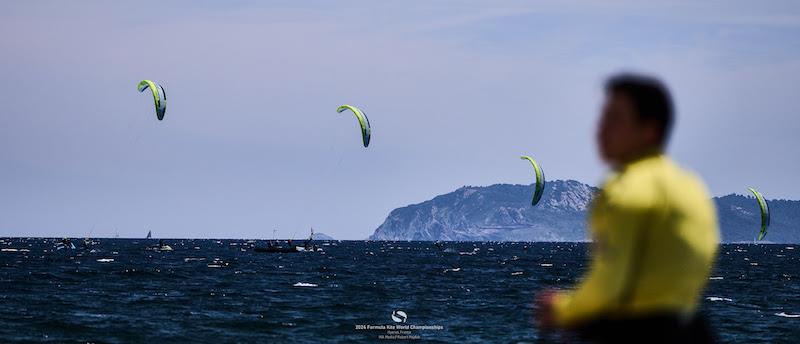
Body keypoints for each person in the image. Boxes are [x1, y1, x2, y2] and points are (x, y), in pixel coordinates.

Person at [535, 73, 719, 343]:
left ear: (649, 129)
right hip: (693, 330)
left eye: (614, 119)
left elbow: (611, 283)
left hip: (634, 332)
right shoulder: (693, 188)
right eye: (603, 117)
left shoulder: (623, 190)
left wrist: (561, 309)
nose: (600, 129)